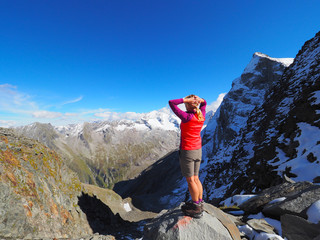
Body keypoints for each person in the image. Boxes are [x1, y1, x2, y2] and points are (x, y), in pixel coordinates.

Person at [169, 94, 207, 218]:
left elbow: (171, 103)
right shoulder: (201, 115)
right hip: (198, 150)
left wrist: (186, 99)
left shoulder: (186, 117)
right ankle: (200, 202)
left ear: (188, 104)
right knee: (196, 178)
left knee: (190, 180)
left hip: (187, 151)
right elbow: (205, 103)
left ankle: (196, 207)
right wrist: (199, 100)